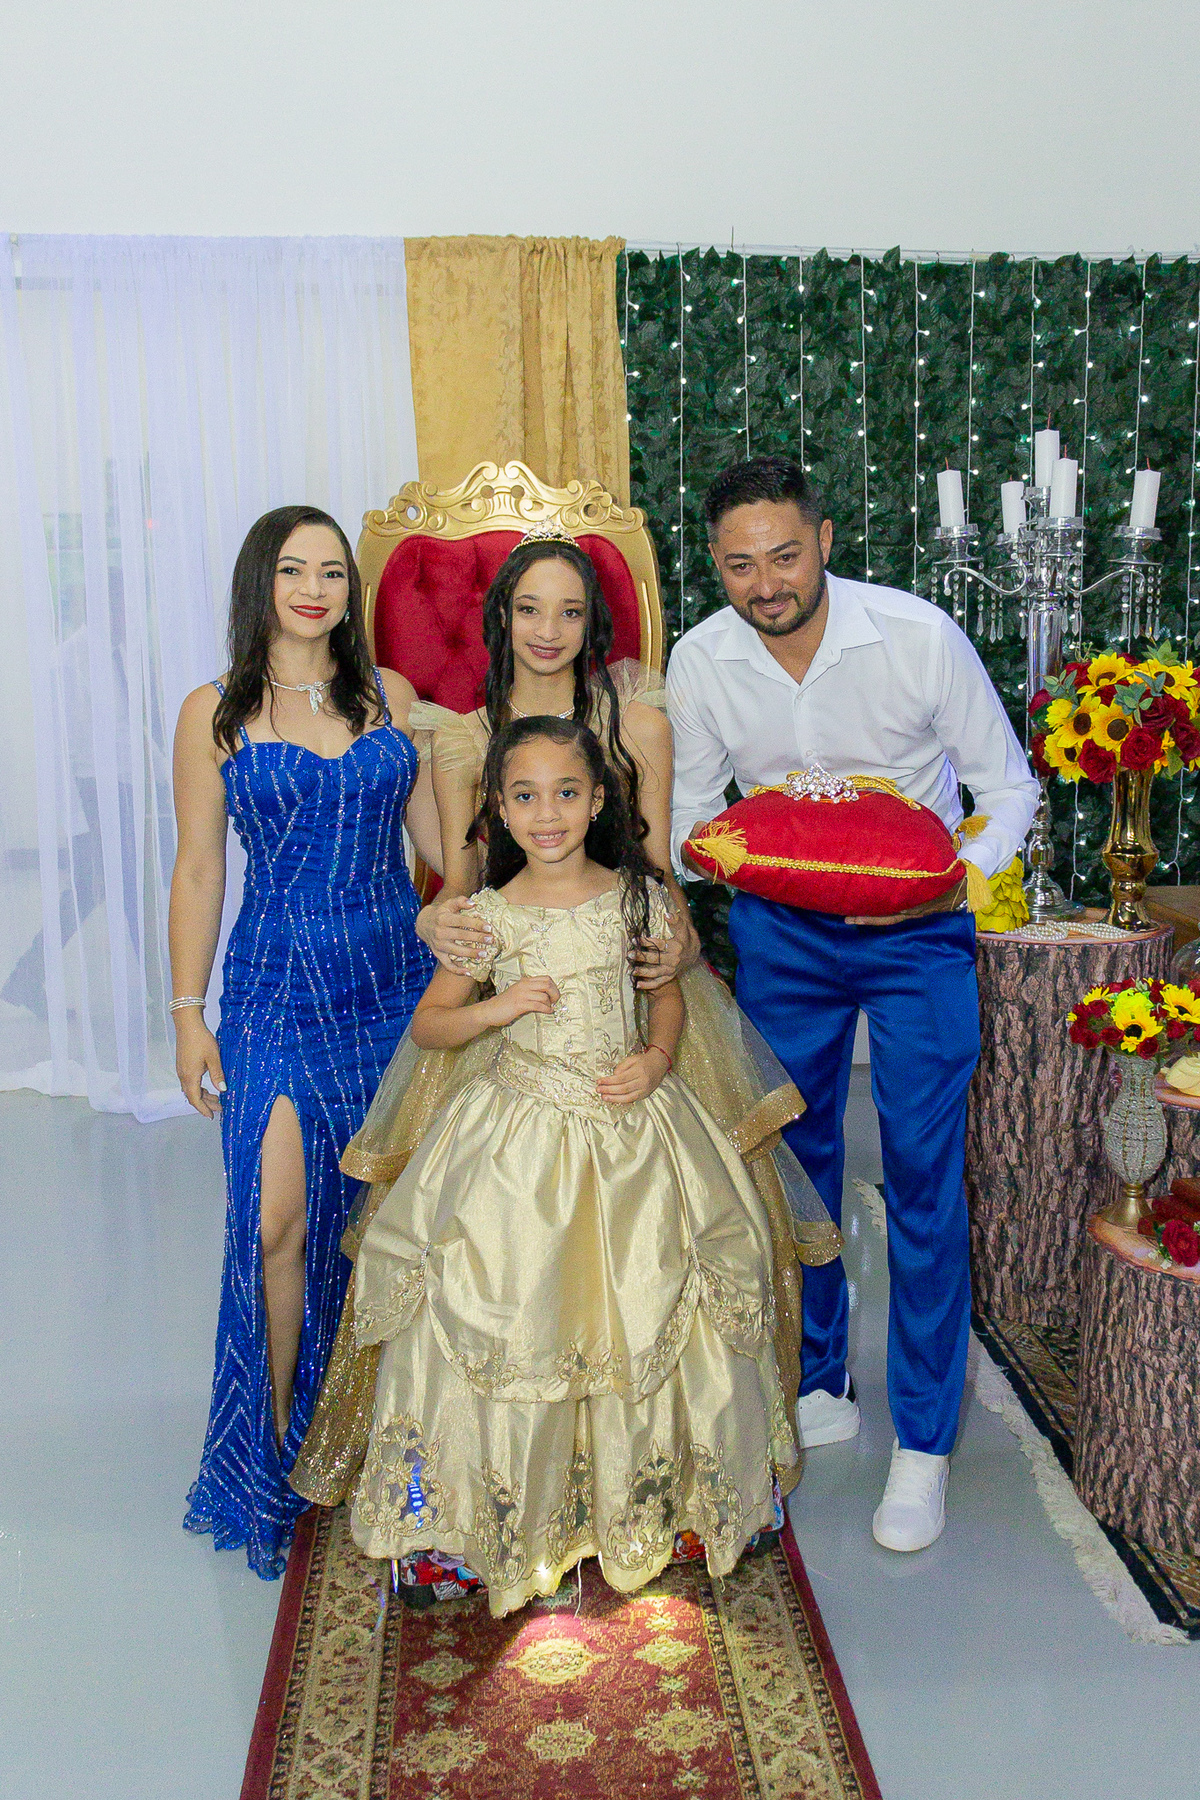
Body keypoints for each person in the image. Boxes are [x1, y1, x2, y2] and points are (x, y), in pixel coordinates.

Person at [287, 531, 841, 1553]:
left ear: (596, 625)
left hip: (632, 969)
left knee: (697, 1227)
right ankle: (507, 1480)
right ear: (501, 619)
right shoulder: (462, 738)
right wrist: (441, 928)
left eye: (572, 611)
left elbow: (657, 864)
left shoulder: (637, 717)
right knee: (494, 1249)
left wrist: (672, 957)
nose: (550, 630)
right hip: (515, 998)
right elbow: (461, 887)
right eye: (530, 609)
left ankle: (673, 1465)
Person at [668, 456, 1040, 1554]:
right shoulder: (702, 660)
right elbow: (690, 820)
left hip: (921, 935)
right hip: (784, 933)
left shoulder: (917, 636)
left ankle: (923, 1442)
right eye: (741, 565)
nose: (767, 583)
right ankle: (819, 1379)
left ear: (824, 540)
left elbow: (1007, 786)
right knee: (796, 1163)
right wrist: (748, 861)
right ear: (717, 565)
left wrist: (949, 882)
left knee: (923, 1176)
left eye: (785, 556)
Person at [348, 716, 797, 1615]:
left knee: (653, 1303)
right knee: (513, 1311)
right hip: (518, 1142)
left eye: (565, 793)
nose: (546, 813)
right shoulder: (489, 916)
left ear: (597, 801)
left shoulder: (639, 900)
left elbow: (666, 999)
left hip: (635, 1131)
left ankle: (663, 1503)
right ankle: (478, 1523)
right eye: (525, 796)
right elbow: (431, 1025)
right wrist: (498, 1008)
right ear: (498, 810)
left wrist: (657, 1060)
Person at [170, 504, 440, 1579]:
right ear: (262, 583)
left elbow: (442, 855)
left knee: (393, 1230)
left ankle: (388, 1447)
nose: (317, 589)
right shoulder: (214, 712)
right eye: (294, 570)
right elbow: (200, 868)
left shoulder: (392, 700)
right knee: (274, 1221)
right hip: (275, 992)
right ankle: (276, 1454)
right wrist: (186, 1013)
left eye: (333, 571)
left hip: (392, 991)